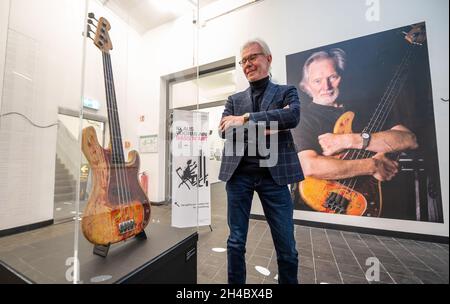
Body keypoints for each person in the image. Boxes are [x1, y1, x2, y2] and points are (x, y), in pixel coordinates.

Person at [218, 39, 303, 284]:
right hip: (238, 175)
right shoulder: (233, 99)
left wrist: (244, 119)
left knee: (287, 247)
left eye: (252, 57)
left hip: (274, 178)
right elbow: (224, 131)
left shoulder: (287, 91)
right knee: (235, 243)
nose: (247, 64)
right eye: (243, 60)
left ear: (268, 58)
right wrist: (271, 126)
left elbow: (292, 116)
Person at [293, 48, 418, 195]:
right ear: (306, 86)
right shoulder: (301, 118)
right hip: (327, 199)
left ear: (343, 76)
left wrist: (348, 140)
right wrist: (372, 165)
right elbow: (309, 166)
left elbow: (409, 139)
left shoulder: (367, 107)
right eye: (317, 81)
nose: (326, 86)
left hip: (376, 197)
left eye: (333, 77)